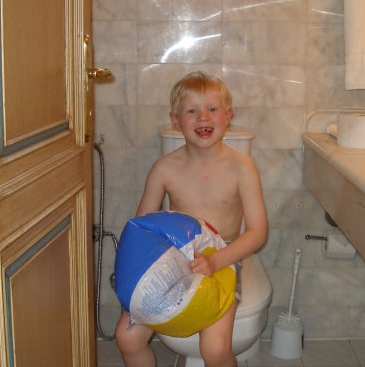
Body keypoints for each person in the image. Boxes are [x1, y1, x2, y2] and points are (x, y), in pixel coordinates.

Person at [115, 70, 268, 367]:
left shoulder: (242, 167)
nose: (203, 118)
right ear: (175, 120)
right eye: (192, 111)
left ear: (227, 116)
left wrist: (215, 261)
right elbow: (142, 227)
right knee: (127, 336)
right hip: (173, 258)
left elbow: (257, 232)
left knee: (214, 348)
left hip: (222, 257)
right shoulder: (164, 169)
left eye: (212, 109)